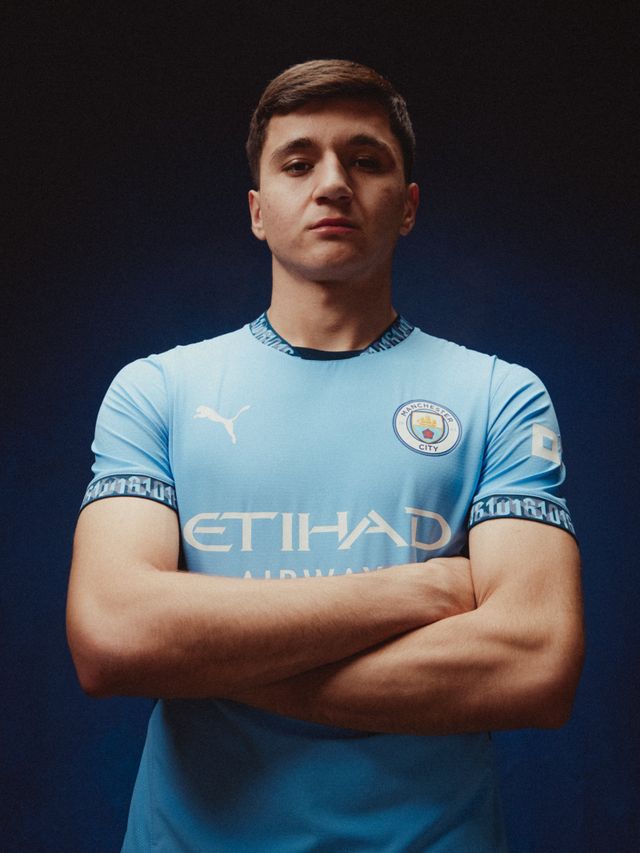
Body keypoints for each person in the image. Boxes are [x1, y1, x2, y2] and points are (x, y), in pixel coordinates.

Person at [67, 59, 584, 852]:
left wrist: (209, 658)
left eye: (366, 159)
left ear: (407, 206)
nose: (334, 183)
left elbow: (535, 666)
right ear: (257, 210)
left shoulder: (499, 395)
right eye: (299, 162)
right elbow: (113, 636)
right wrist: (417, 590)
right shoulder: (157, 390)